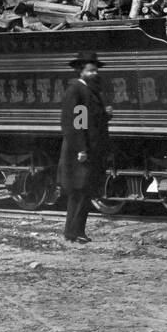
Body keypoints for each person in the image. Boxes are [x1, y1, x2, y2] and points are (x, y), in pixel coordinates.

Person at [58, 51, 112, 244]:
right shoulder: (77, 91)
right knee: (80, 192)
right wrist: (82, 149)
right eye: (90, 70)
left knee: (82, 193)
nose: (94, 73)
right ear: (81, 72)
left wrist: (106, 114)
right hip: (80, 151)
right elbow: (76, 123)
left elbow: (91, 119)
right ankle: (75, 232)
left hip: (88, 148)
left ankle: (73, 232)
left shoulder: (88, 90)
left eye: (95, 70)